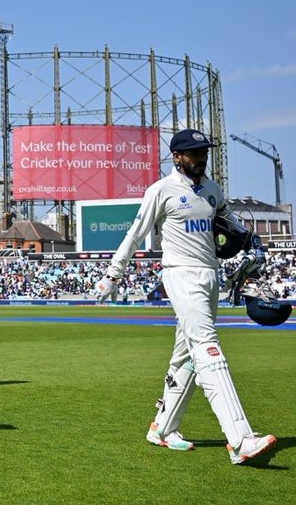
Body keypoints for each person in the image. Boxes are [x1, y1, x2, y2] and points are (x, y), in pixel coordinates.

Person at [100, 128, 275, 465]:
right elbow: (135, 234)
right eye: (194, 153)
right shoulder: (161, 191)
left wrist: (251, 243)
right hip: (181, 274)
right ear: (176, 157)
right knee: (208, 349)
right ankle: (240, 440)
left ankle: (163, 429)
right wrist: (113, 274)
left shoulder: (212, 190)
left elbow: (231, 226)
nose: (201, 158)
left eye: (204, 152)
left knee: (187, 356)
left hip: (210, 277)